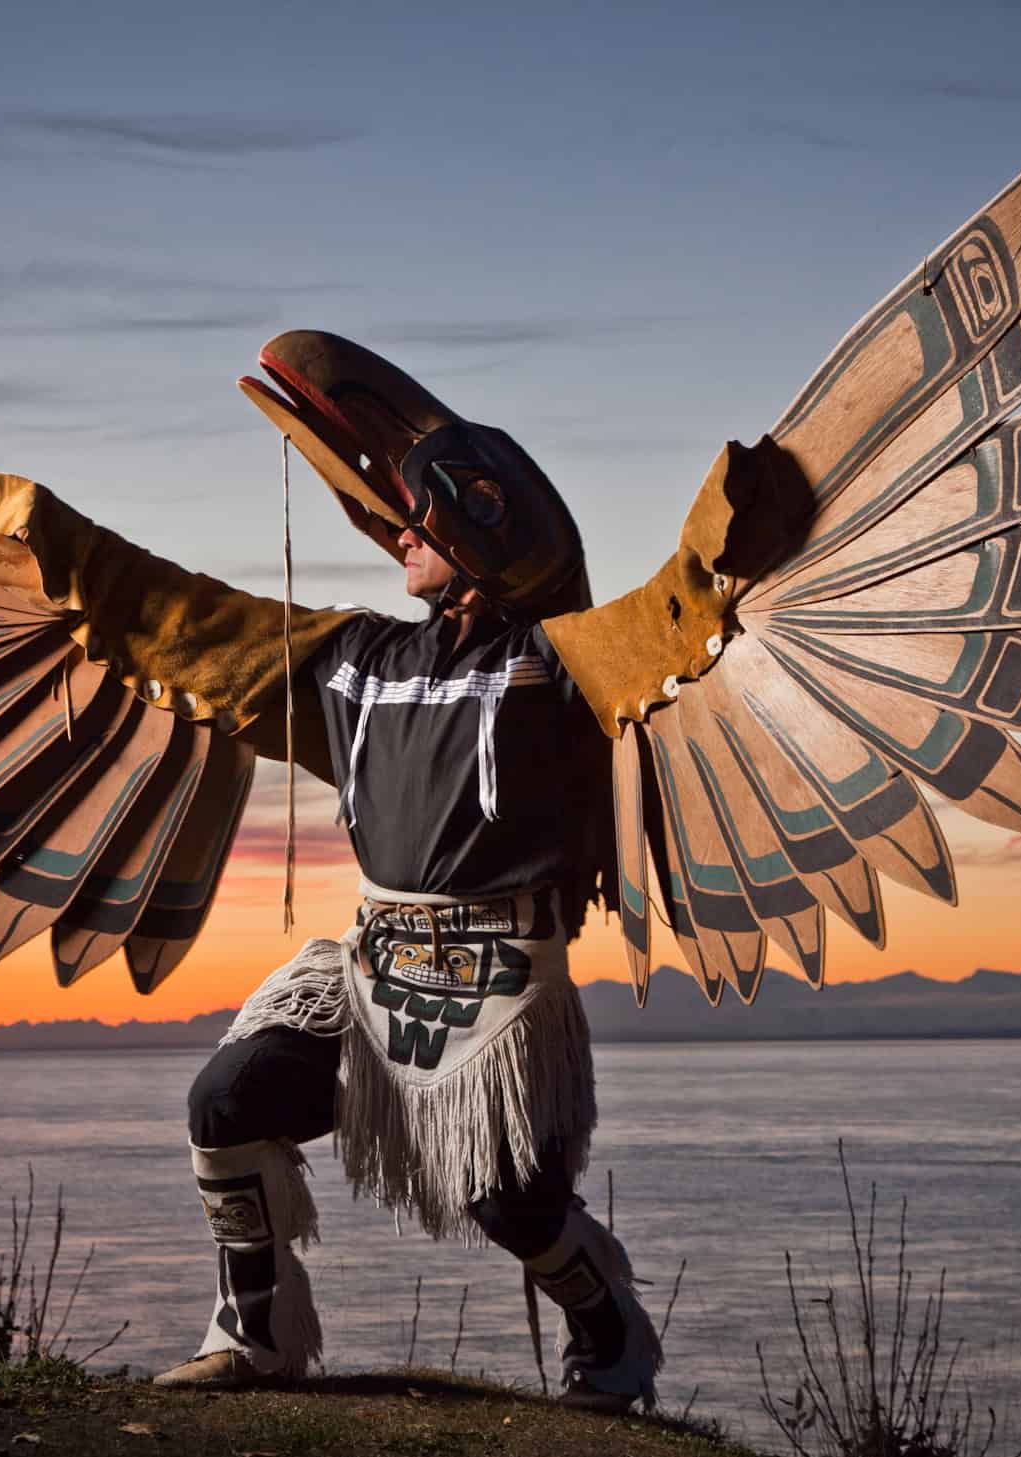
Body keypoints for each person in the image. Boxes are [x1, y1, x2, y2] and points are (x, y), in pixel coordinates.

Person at [150, 361, 664, 1411]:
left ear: (487, 531)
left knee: (510, 1200)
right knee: (227, 1100)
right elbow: (172, 622)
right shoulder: (358, 655)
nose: (397, 536)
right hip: (371, 962)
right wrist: (37, 541)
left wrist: (737, 542)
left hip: (503, 974)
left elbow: (689, 632)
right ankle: (254, 1333)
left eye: (416, 521)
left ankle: (605, 1319)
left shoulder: (566, 664)